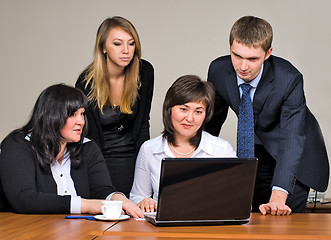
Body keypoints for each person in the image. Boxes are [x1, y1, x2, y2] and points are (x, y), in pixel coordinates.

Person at [205, 16, 329, 215]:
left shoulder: (289, 79)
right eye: (237, 56)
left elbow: (292, 138)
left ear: (268, 53)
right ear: (230, 47)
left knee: (281, 222)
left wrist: (279, 194)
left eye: (252, 59)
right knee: (247, 213)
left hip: (295, 155)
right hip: (257, 149)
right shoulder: (219, 70)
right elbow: (212, 122)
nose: (243, 66)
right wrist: (193, 160)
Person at [0, 84, 143, 217]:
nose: (81, 121)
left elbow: (101, 190)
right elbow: (24, 199)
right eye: (73, 114)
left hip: (80, 231)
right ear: (52, 116)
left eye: (82, 114)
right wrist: (86, 205)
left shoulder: (88, 147)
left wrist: (116, 198)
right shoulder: (18, 145)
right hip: (29, 230)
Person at [130, 75, 236, 212]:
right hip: (162, 229)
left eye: (198, 111)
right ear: (170, 109)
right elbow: (136, 196)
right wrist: (143, 202)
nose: (190, 118)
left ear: (206, 115)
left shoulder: (222, 149)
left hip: (208, 227)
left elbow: (239, 199)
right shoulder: (149, 149)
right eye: (183, 109)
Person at [75, 16, 154, 197]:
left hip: (133, 156)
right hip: (101, 158)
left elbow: (143, 123)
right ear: (103, 47)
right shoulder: (86, 83)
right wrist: (95, 170)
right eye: (117, 44)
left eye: (131, 43)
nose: (126, 50)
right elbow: (86, 134)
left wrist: (147, 162)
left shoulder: (145, 72)